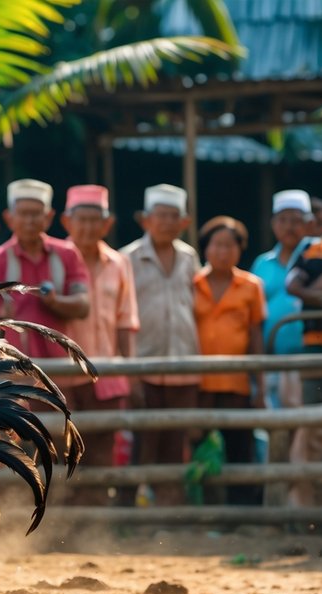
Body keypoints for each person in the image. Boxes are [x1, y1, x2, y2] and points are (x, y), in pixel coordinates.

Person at [121, 183, 200, 506]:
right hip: (144, 363)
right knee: (140, 444)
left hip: (184, 365)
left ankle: (171, 514)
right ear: (146, 220)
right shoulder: (127, 258)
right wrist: (129, 372)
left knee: (175, 443)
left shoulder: (189, 257)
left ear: (184, 222)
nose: (166, 222)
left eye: (173, 217)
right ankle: (126, 513)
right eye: (160, 216)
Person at [61, 185, 140, 506]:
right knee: (57, 448)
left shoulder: (119, 263)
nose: (89, 227)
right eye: (82, 219)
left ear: (107, 224)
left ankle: (94, 522)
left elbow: (126, 320)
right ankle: (58, 523)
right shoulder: (56, 259)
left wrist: (129, 371)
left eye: (96, 220)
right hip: (61, 373)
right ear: (67, 221)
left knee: (101, 448)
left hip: (105, 372)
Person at [193, 217, 266, 506]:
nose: (223, 251)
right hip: (199, 382)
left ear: (240, 250)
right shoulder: (193, 282)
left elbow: (255, 336)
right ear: (206, 248)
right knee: (201, 446)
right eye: (217, 245)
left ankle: (241, 510)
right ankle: (204, 509)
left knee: (239, 446)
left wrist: (259, 385)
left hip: (237, 382)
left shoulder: (251, 286)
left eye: (230, 245)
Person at [250, 190, 316, 506]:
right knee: (276, 432)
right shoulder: (261, 264)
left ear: (309, 223)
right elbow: (254, 318)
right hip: (274, 361)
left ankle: (302, 505)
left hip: (312, 362)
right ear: (274, 224)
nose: (290, 227)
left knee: (308, 433)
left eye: (296, 220)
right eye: (284, 220)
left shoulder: (319, 256)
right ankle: (274, 507)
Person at [0, 179, 90, 358]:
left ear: (48, 217)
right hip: (16, 367)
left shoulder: (68, 254)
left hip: (64, 365)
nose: (29, 221)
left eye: (36, 214)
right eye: (23, 214)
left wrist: (55, 302)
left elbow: (83, 306)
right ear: (9, 218)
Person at [287, 231, 322, 506]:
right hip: (316, 347)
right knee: (311, 426)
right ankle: (307, 509)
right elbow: (293, 285)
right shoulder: (314, 249)